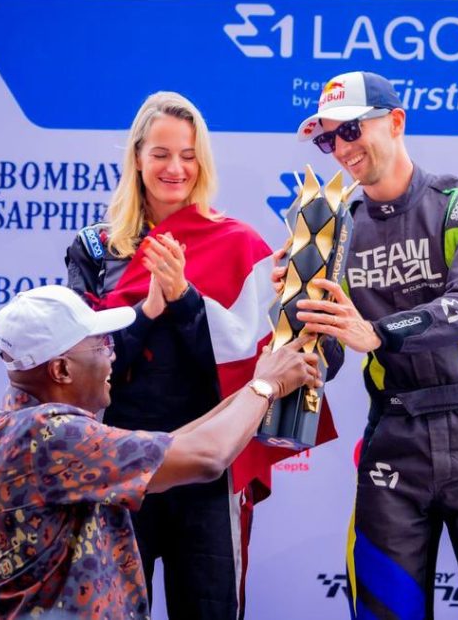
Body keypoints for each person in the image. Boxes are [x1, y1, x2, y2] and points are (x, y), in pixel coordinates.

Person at [280, 71, 458, 619]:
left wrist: (378, 332)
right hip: (393, 442)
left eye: (351, 129)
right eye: (328, 139)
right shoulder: (335, 232)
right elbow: (329, 355)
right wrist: (294, 315)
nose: (342, 149)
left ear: (396, 121)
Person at [65, 91, 335, 619]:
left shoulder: (240, 245)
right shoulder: (96, 248)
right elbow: (82, 366)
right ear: (137, 157)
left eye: (188, 155)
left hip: (209, 468)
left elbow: (251, 364)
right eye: (161, 154)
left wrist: (189, 298)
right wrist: (150, 309)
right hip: (119, 462)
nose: (175, 168)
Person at [0, 285, 321, 619]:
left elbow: (172, 446)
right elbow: (207, 457)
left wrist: (252, 387)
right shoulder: (52, 435)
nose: (112, 355)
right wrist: (266, 386)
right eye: (101, 346)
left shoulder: (17, 428)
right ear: (61, 369)